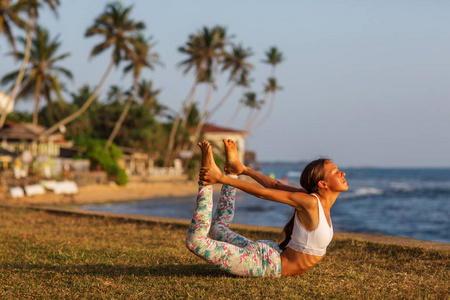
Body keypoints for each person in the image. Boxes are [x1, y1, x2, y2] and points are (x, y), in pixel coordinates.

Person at [186, 139, 348, 277]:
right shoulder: (310, 202)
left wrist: (244, 170)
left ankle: (232, 172)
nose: (342, 173)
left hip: (272, 254)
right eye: (335, 172)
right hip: (266, 263)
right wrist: (219, 178)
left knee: (218, 230)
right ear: (322, 184)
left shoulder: (314, 202)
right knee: (196, 242)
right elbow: (264, 193)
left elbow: (276, 184)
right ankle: (207, 182)